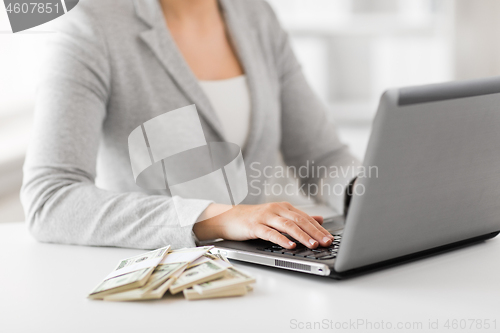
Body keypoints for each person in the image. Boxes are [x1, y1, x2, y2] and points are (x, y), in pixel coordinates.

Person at [21, 0, 359, 251]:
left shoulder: (255, 14)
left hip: (259, 276)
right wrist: (220, 217)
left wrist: (368, 195)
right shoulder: (90, 25)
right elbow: (51, 197)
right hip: (153, 283)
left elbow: (322, 156)